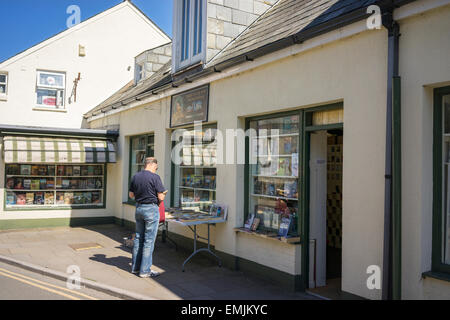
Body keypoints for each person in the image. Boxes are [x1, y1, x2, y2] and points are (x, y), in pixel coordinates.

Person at [129, 157, 167, 278]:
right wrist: (161, 195)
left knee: (138, 238)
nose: (156, 169)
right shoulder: (155, 177)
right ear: (152, 165)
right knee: (149, 241)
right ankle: (145, 271)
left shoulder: (135, 176)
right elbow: (161, 197)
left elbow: (131, 195)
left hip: (139, 208)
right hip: (151, 209)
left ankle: (135, 268)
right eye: (156, 167)